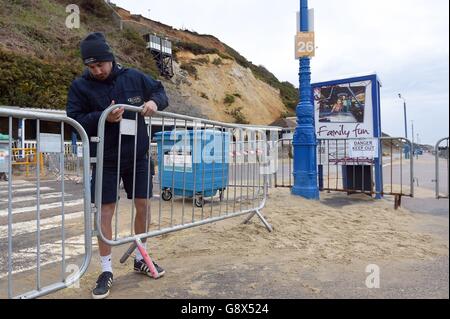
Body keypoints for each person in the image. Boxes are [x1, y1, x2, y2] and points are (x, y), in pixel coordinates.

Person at [66, 32, 169, 299]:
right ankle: (106, 269)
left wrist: (154, 102)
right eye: (91, 66)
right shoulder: (80, 86)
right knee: (105, 211)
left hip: (138, 156)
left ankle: (141, 257)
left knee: (143, 205)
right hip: (106, 158)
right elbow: (74, 119)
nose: (97, 70)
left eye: (100, 64)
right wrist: (103, 118)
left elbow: (160, 90)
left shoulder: (133, 77)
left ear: (110, 59)